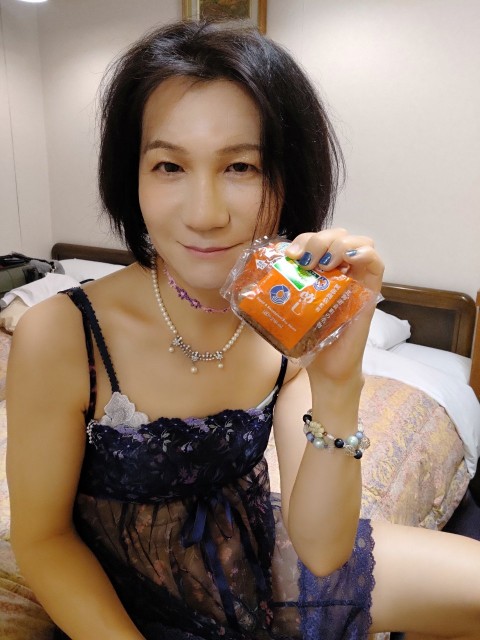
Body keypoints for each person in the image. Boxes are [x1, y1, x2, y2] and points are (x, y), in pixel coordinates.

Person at [6, 19, 480, 640]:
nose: (205, 214)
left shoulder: (286, 331)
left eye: (241, 166)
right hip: (127, 594)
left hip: (254, 556)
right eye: (169, 166)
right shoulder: (63, 334)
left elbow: (321, 551)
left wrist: (339, 384)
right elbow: (43, 539)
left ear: (287, 178)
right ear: (132, 176)